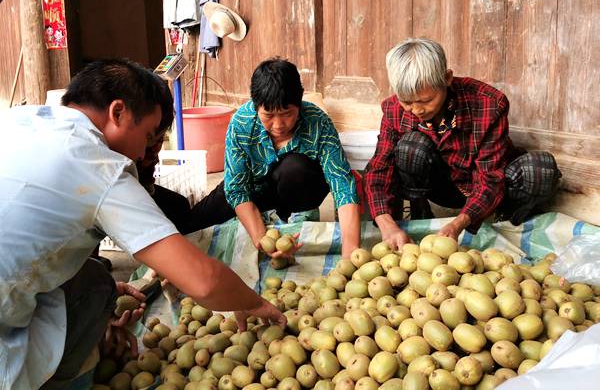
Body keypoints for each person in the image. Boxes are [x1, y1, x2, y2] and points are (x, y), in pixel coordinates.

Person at [0, 59, 285, 390]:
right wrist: (251, 301)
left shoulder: (18, 120)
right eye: (149, 136)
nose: (144, 152)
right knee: (95, 286)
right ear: (118, 112)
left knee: (97, 282)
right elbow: (204, 281)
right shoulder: (97, 165)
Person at [364, 38, 561, 250]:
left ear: (447, 78)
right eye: (407, 102)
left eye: (426, 101)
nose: (417, 110)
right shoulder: (394, 109)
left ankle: (502, 221)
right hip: (439, 185)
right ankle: (419, 212)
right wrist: (387, 225)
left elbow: (491, 177)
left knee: (540, 170)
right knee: (411, 147)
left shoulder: (488, 104)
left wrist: (459, 223)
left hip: (480, 184)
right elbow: (379, 169)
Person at [189, 58, 361, 259]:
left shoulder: (318, 123)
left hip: (297, 187)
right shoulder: (242, 122)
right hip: (254, 188)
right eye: (268, 115)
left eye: (287, 113)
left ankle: (297, 220)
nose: (278, 125)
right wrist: (263, 240)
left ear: (300, 102)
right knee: (192, 225)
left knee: (294, 168)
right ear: (255, 106)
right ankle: (262, 218)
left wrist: (351, 250)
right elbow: (237, 189)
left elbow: (342, 184)